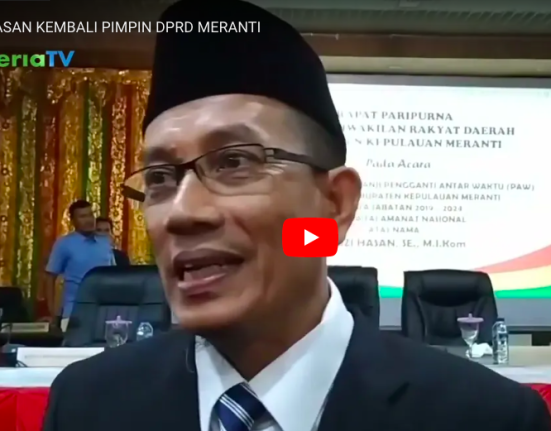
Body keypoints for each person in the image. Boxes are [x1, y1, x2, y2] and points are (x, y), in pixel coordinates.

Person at [42, 2, 550, 431]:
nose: (182, 213)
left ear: (334, 205)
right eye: (159, 178)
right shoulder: (88, 405)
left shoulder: (485, 417)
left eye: (234, 162)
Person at [44, 200, 114, 330]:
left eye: (90, 215)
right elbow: (50, 278)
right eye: (82, 216)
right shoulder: (64, 244)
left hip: (103, 312)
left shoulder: (105, 242)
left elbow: (113, 274)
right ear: (73, 221)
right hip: (74, 313)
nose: (88, 220)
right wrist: (53, 313)